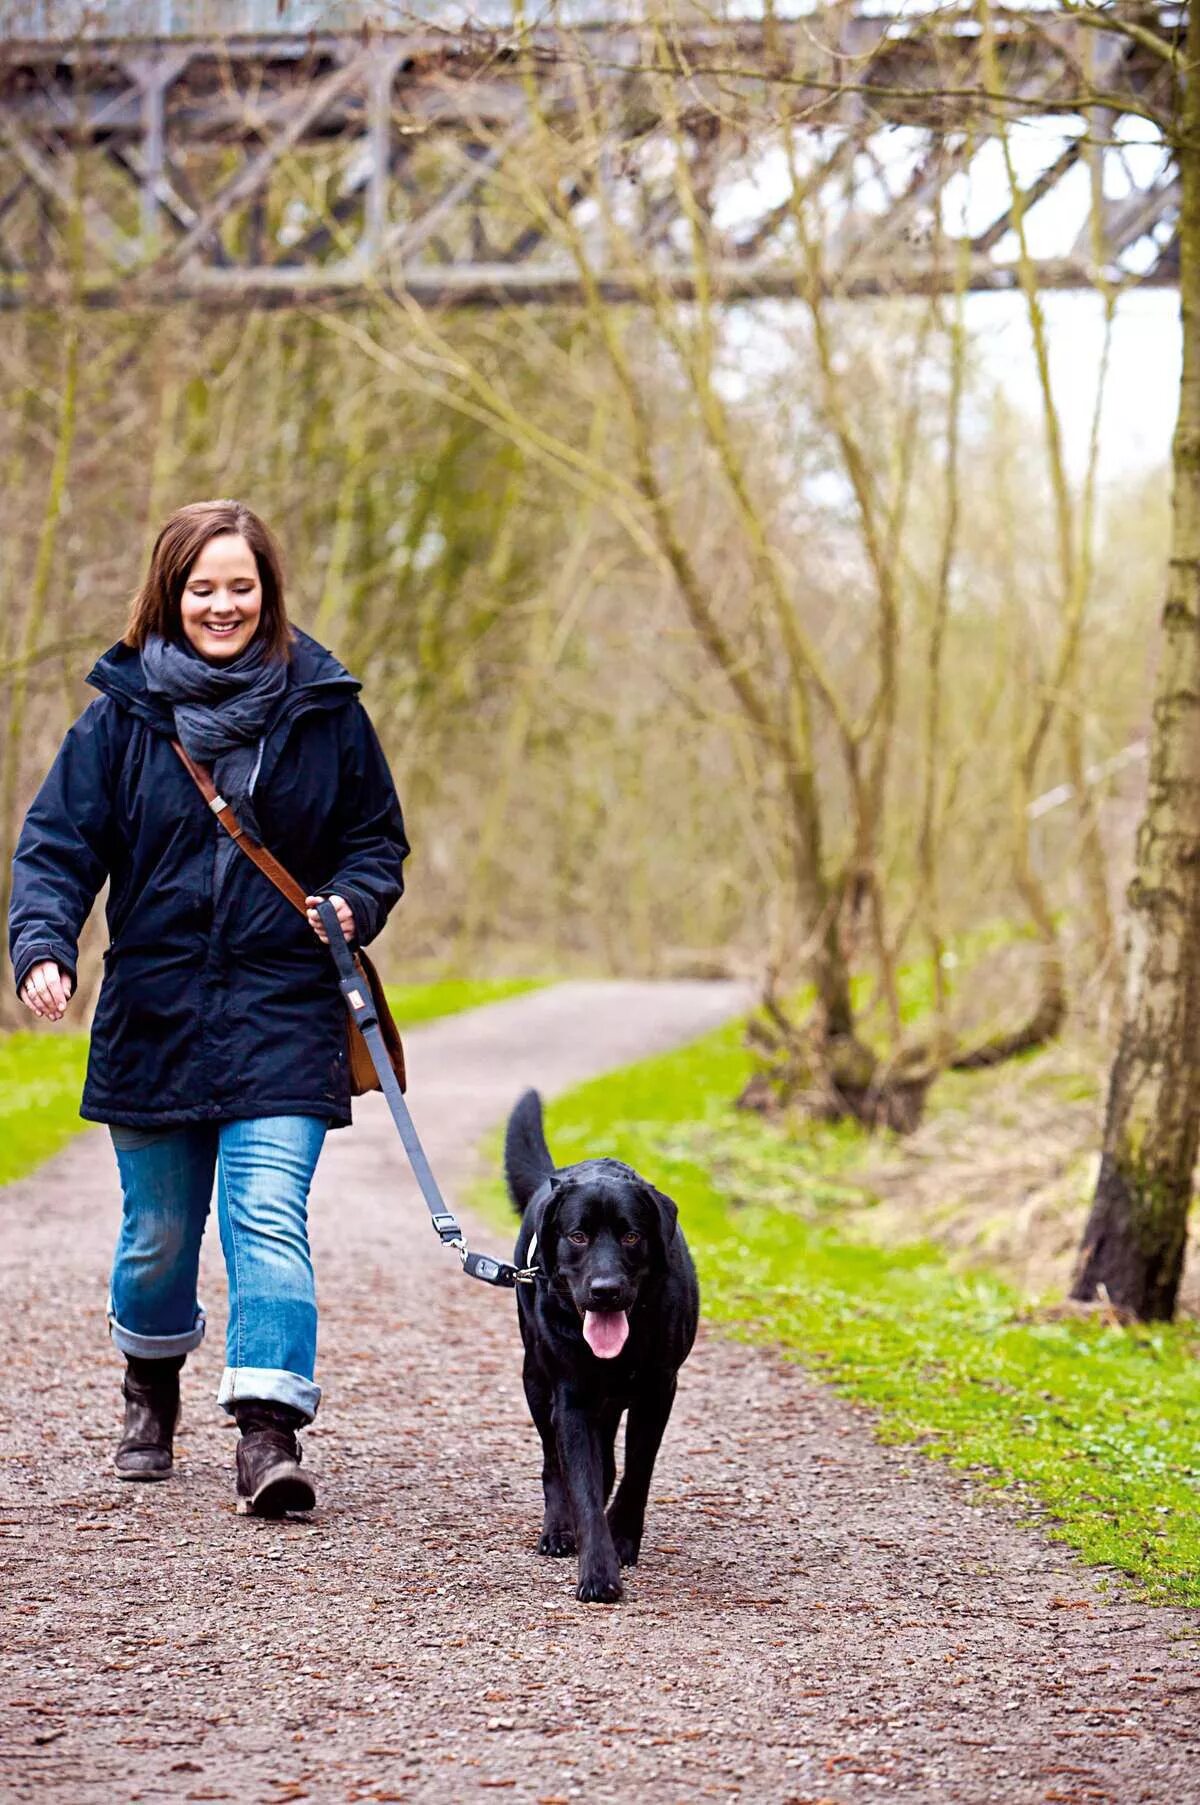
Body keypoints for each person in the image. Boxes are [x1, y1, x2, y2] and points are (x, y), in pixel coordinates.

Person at [8, 499, 408, 1517]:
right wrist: (43, 944)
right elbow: (58, 846)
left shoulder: (324, 710)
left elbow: (376, 842)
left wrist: (354, 901)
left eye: (242, 585)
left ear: (267, 592)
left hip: (283, 1003)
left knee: (267, 1213)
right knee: (159, 1233)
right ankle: (150, 1385)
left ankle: (268, 1432)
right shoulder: (120, 716)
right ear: (169, 594)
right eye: (203, 587)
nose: (223, 604)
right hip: (156, 1007)